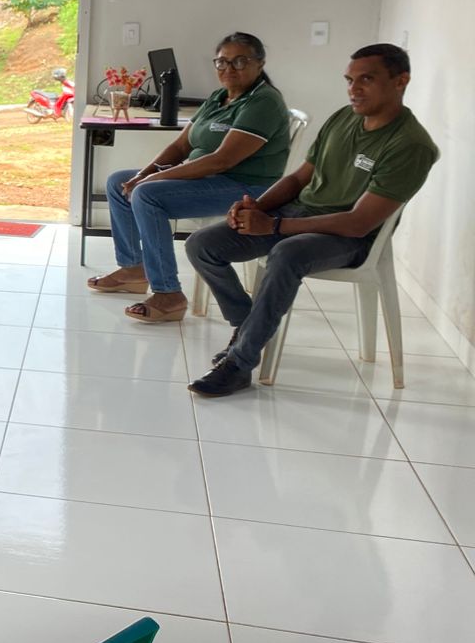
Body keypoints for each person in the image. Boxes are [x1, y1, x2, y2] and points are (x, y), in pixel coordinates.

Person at [185, 44, 439, 396]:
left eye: (366, 79)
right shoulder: (344, 117)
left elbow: (358, 223)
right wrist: (256, 207)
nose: (354, 89)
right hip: (299, 213)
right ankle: (248, 326)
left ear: (401, 81)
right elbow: (297, 179)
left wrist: (274, 226)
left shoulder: (410, 144)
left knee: (288, 253)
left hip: (348, 238)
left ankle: (240, 365)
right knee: (202, 244)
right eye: (349, 80)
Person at [88, 33, 292, 323]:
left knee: (147, 195)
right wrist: (144, 173)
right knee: (118, 182)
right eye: (222, 62)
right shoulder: (219, 97)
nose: (229, 68)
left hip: (246, 188)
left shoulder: (263, 102)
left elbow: (222, 160)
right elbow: (181, 146)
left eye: (239, 61)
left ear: (260, 63)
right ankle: (134, 269)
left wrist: (150, 181)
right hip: (208, 179)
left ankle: (168, 294)